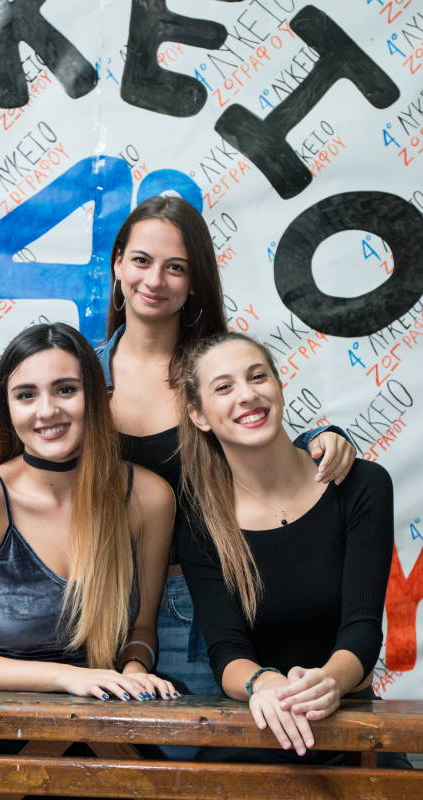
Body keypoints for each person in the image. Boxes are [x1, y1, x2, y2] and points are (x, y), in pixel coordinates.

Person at [97, 195, 356, 706]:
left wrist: (317, 438)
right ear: (118, 264)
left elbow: (262, 449)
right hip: (93, 605)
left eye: (176, 267)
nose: (154, 280)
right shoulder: (78, 376)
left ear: (195, 281)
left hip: (197, 608)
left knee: (204, 753)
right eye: (142, 260)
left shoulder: (218, 371)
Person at [0, 322, 177, 800]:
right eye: (26, 395)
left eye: (66, 389)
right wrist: (67, 677)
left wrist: (135, 669)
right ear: (7, 408)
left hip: (101, 745)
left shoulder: (148, 497)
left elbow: (140, 630)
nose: (47, 410)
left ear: (95, 396)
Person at [175, 331, 407, 767]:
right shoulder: (199, 521)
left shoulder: (361, 485)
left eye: (257, 376)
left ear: (279, 386)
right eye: (223, 387)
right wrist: (264, 683)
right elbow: (226, 649)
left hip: (350, 722)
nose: (247, 395)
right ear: (199, 415)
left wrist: (327, 684)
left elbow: (362, 628)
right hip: (259, 727)